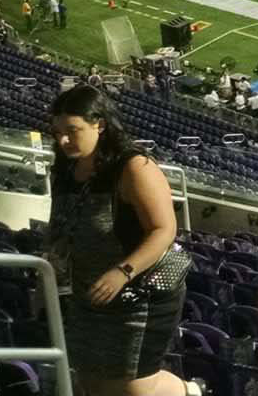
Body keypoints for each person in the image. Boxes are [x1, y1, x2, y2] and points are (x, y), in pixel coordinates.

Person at [45, 84, 201, 396]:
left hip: (139, 295)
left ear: (99, 124)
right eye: (58, 131)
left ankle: (188, 391)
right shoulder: (65, 170)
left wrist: (123, 271)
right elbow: (61, 229)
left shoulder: (134, 166)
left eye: (72, 131)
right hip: (87, 293)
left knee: (132, 388)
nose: (63, 140)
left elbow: (164, 229)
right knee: (93, 383)